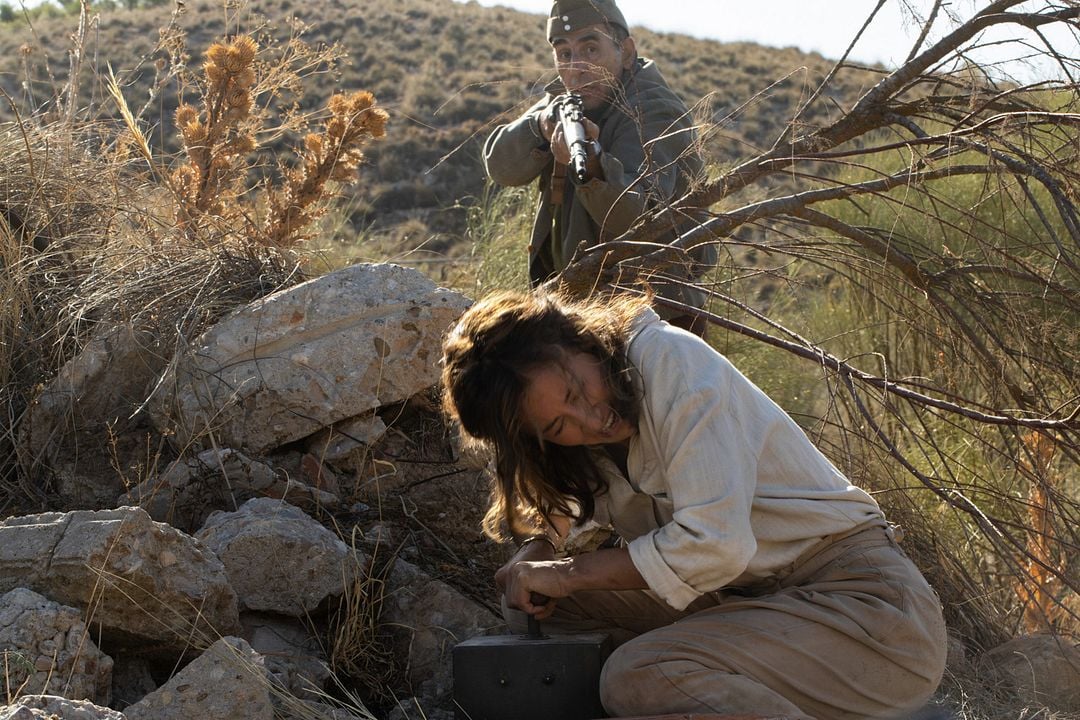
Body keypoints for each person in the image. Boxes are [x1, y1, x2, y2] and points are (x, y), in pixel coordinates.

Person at [440, 289, 948, 720]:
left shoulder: (671, 362)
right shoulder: (589, 440)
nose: (589, 420)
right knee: (539, 605)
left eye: (577, 389)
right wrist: (537, 553)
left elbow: (715, 545)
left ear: (581, 342)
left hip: (870, 615)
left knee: (636, 675)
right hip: (753, 601)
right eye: (557, 427)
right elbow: (564, 522)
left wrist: (569, 572)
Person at [483, 0, 713, 334]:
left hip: (653, 317)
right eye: (564, 54)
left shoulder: (653, 110)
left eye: (591, 49)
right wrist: (540, 127)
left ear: (627, 52)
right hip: (580, 310)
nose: (577, 67)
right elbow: (501, 167)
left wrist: (592, 166)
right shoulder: (563, 100)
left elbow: (636, 220)